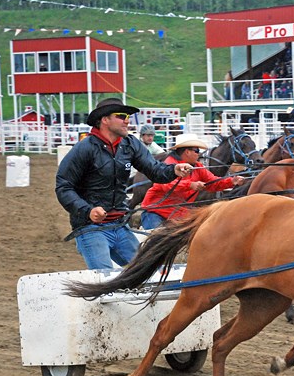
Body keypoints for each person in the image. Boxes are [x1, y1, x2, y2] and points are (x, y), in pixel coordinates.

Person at [56, 98, 194, 270]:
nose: (127, 120)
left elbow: (155, 170)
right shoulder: (85, 148)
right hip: (90, 228)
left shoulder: (130, 144)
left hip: (120, 225)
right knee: (104, 278)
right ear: (105, 120)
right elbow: (63, 187)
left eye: (128, 116)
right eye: (121, 115)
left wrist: (174, 170)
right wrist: (88, 210)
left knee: (150, 271)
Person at [139, 133, 246, 230]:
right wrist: (190, 185)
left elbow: (213, 182)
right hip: (155, 212)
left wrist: (232, 181)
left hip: (179, 214)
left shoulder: (198, 166)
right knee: (155, 240)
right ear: (187, 152)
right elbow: (167, 185)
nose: (199, 154)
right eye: (197, 151)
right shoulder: (169, 165)